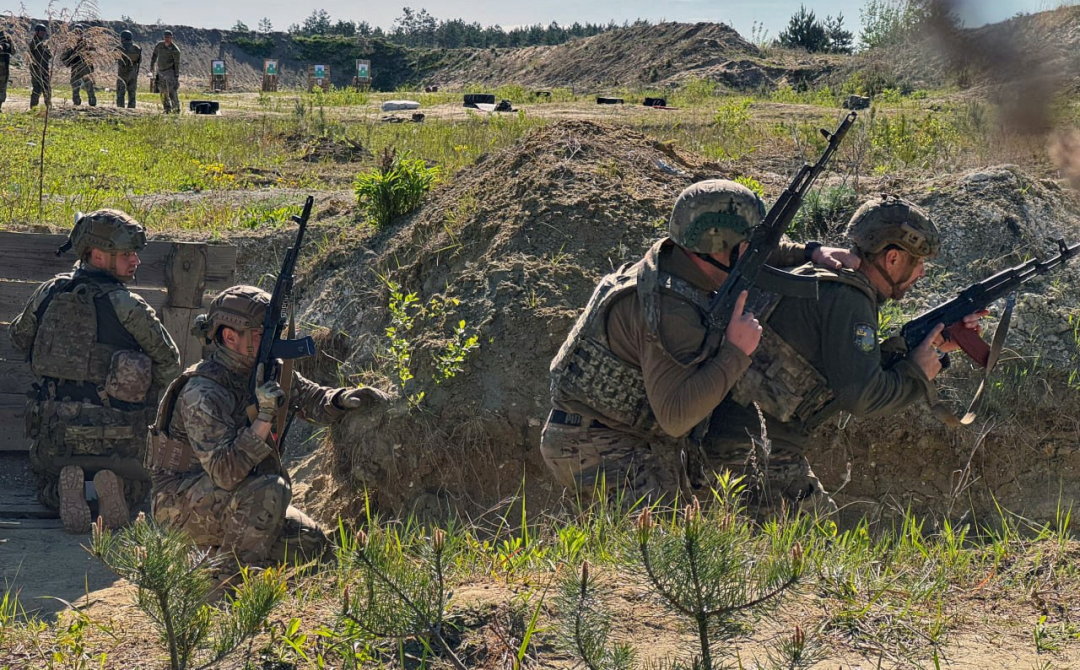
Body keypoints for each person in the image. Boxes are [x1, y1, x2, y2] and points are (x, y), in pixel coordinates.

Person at [542, 179, 859, 503]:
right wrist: (736, 351)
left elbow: (753, 255)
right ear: (717, 246)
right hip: (596, 446)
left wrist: (811, 251)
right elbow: (676, 417)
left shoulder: (679, 258)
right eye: (746, 242)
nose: (754, 251)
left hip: (616, 434)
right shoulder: (670, 311)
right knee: (656, 533)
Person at [704, 194, 986, 514]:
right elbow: (862, 396)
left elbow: (846, 363)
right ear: (893, 258)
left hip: (732, 442)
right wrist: (916, 374)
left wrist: (929, 348)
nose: (921, 272)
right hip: (753, 455)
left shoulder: (822, 277)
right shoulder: (850, 297)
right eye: (918, 262)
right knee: (817, 539)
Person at [147, 286, 392, 570]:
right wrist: (264, 417)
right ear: (230, 337)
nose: (271, 341)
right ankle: (226, 579)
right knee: (271, 489)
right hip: (180, 505)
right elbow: (225, 473)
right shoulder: (202, 392)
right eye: (260, 334)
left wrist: (340, 400)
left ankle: (212, 557)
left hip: (236, 497)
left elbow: (310, 397)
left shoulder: (263, 370)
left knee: (309, 542)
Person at [9, 210, 181, 533]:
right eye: (127, 254)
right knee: (138, 488)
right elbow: (170, 363)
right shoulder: (128, 306)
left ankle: (61, 489)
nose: (136, 261)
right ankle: (116, 487)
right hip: (121, 441)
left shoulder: (49, 292)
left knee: (45, 482)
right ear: (98, 255)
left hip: (56, 438)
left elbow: (18, 339)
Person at [61, 23, 96, 107]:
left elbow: (93, 52)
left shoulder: (87, 42)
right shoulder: (71, 44)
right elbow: (64, 56)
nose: (78, 34)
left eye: (79, 32)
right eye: (76, 32)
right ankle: (77, 103)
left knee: (89, 86)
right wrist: (68, 60)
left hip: (85, 66)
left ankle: (92, 102)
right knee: (75, 86)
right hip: (76, 66)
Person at [149, 29, 180, 114]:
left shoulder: (175, 50)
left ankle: (176, 109)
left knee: (172, 91)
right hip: (160, 71)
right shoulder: (159, 45)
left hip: (170, 71)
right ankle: (167, 109)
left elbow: (177, 64)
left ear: (171, 38)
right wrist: (152, 66)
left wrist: (176, 76)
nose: (167, 39)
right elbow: (154, 55)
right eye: (165, 37)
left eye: (168, 37)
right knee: (162, 91)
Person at [116, 29, 141, 108]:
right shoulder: (137, 48)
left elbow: (113, 57)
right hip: (132, 74)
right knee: (132, 93)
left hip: (122, 74)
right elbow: (139, 61)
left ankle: (120, 109)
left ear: (123, 38)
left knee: (120, 93)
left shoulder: (119, 48)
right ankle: (131, 109)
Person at [29, 23, 51, 109]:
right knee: (37, 89)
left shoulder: (43, 44)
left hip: (44, 69)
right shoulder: (34, 43)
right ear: (37, 32)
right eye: (41, 32)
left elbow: (49, 56)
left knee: (47, 89)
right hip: (36, 69)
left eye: (44, 32)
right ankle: (33, 107)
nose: (43, 34)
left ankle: (48, 107)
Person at [0, 28, 13, 112]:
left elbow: (13, 51)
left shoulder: (7, 41)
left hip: (4, 69)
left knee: (2, 89)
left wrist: (10, 43)